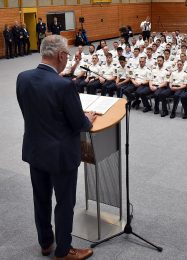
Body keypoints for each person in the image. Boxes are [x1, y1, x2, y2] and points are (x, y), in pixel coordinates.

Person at [16, 35, 95, 260]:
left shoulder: (23, 78)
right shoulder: (64, 85)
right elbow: (79, 124)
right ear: (61, 55)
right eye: (67, 56)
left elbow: (29, 112)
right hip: (61, 156)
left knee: (40, 199)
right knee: (64, 203)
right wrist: (87, 117)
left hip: (35, 150)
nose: (67, 59)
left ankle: (45, 243)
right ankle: (63, 251)